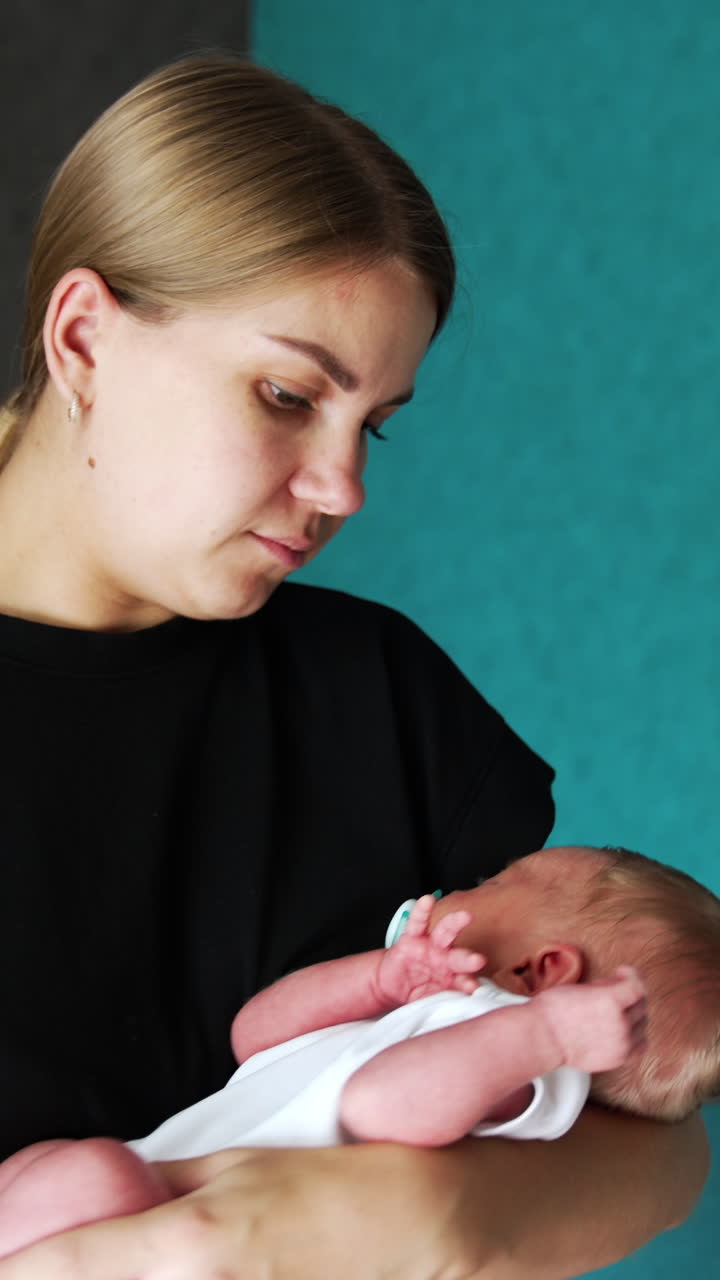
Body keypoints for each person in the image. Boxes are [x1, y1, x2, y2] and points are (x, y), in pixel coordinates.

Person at [0, 52, 708, 1280]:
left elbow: (652, 1131)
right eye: (285, 393)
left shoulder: (378, 702)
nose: (345, 488)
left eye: (370, 423)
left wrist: (413, 1228)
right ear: (82, 338)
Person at [1, 843, 718, 1258]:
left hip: (159, 1225)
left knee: (90, 1175)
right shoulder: (417, 1014)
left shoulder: (522, 1061)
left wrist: (550, 1034)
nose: (459, 886)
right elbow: (254, 1036)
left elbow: (380, 1104)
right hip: (150, 1191)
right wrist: (375, 981)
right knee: (57, 1167)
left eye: (495, 882)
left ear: (543, 970)